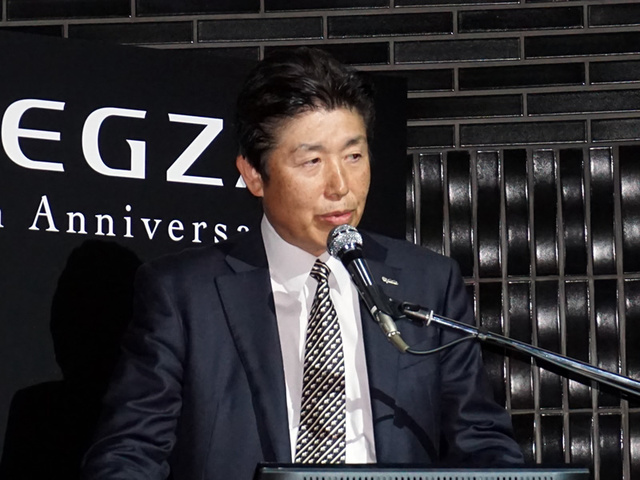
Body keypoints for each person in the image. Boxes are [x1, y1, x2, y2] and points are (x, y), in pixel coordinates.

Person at [81, 47, 523, 480]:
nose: (340, 186)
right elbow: (129, 452)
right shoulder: (184, 294)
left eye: (354, 156)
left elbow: (481, 441)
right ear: (254, 175)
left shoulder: (428, 282)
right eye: (312, 161)